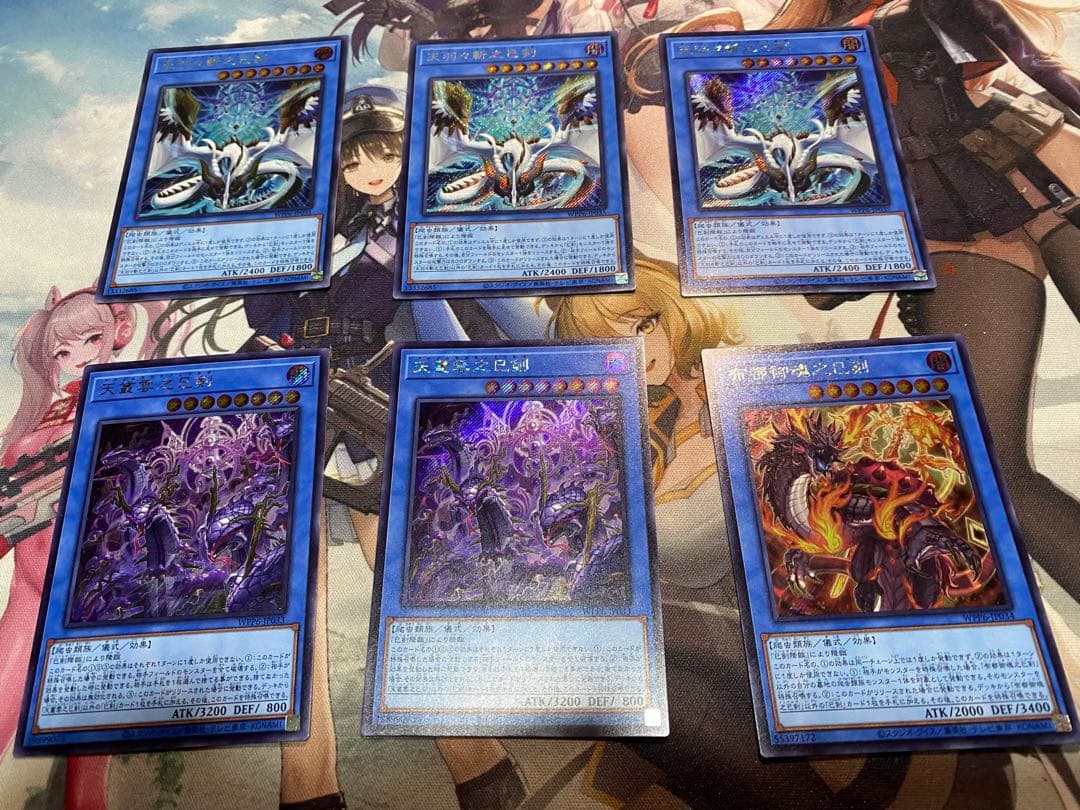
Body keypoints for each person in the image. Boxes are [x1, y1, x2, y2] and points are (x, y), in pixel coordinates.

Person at [762, 0, 1080, 600]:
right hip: (956, 226)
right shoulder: (790, 44)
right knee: (994, 471)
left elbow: (1039, 69)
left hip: (1044, 175)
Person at [0, 287, 168, 810]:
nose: (74, 360)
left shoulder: (133, 407)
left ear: (118, 333)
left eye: (90, 340)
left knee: (86, 764)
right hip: (32, 588)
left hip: (101, 596)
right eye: (61, 352)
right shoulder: (31, 429)